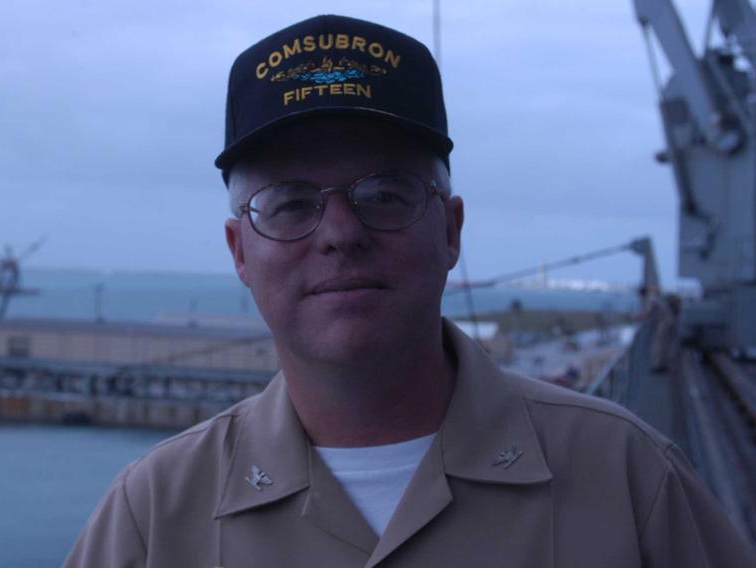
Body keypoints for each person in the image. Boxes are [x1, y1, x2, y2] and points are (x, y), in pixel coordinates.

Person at [65, 15, 756, 567]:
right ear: (239, 252)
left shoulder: (631, 478)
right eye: (288, 204)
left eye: (385, 194)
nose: (340, 232)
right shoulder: (150, 517)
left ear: (450, 231)